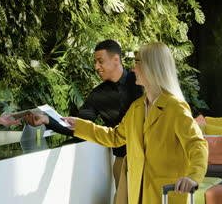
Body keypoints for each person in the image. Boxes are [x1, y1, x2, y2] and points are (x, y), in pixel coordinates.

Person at [62, 42, 208, 204]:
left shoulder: (175, 107)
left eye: (137, 62)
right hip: (136, 190)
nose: (132, 68)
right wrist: (80, 126)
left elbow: (197, 144)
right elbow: (115, 137)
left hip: (164, 193)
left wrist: (193, 177)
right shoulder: (137, 107)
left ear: (151, 66)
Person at [24, 39, 142, 187]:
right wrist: (47, 121)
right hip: (122, 161)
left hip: (148, 159)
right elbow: (79, 127)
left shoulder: (140, 82)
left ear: (116, 59)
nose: (96, 67)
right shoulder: (97, 95)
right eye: (95, 62)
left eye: (100, 61)